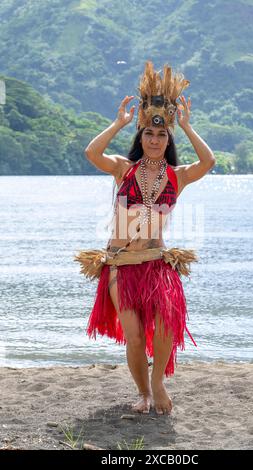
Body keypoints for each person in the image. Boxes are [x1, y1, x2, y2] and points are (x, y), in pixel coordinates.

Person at [75, 61, 216, 415]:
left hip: (156, 264)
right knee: (135, 336)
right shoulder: (124, 168)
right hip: (122, 265)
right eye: (149, 135)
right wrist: (119, 123)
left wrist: (186, 125)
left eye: (161, 136)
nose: (155, 140)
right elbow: (92, 153)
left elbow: (209, 161)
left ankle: (157, 382)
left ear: (168, 140)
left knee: (169, 318)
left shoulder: (177, 176)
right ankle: (143, 393)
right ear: (141, 138)